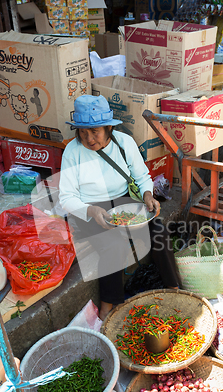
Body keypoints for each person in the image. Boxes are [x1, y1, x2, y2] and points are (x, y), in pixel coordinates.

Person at [59, 95, 180, 320]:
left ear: (108, 128)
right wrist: (91, 211)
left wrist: (147, 195)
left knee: (160, 232)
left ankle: (174, 289)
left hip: (123, 202)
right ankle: (109, 306)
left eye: (95, 131)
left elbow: (142, 175)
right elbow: (66, 197)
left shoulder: (124, 142)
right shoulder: (72, 152)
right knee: (114, 245)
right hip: (88, 210)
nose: (88, 138)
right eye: (83, 132)